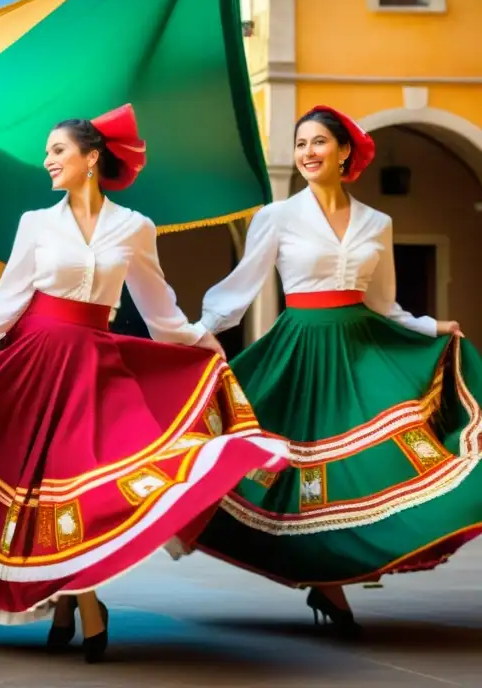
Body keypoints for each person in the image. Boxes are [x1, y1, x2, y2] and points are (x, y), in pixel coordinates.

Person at [0, 104, 290, 663]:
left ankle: (75, 598)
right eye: (47, 152)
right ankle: (85, 602)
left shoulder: (135, 228)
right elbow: (7, 303)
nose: (46, 161)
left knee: (83, 490)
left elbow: (159, 309)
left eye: (57, 151)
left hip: (95, 371)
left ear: (91, 158)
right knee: (40, 494)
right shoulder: (35, 223)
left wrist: (199, 341)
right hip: (33, 368)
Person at [190, 105, 477, 637]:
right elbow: (241, 287)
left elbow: (385, 303)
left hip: (361, 348)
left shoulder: (378, 222)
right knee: (297, 470)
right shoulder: (276, 216)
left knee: (365, 467)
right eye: (301, 144)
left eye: (318, 142)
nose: (308, 153)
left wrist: (431, 327)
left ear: (345, 150)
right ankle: (327, 585)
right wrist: (195, 331)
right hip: (299, 350)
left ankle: (340, 572)